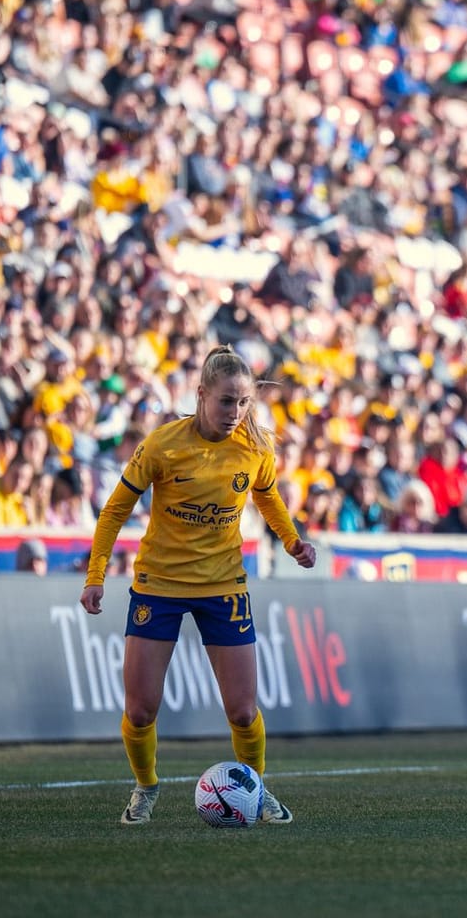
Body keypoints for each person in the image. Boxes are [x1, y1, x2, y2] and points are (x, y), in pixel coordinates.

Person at [81, 346, 318, 826]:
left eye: (245, 402)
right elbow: (114, 511)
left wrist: (292, 541)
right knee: (141, 709)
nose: (236, 413)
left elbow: (268, 497)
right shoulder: (163, 445)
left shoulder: (254, 448)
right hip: (159, 585)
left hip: (223, 585)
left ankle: (253, 789)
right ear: (202, 395)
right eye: (227, 401)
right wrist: (96, 576)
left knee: (244, 710)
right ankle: (146, 787)